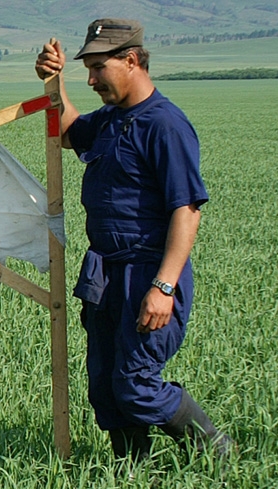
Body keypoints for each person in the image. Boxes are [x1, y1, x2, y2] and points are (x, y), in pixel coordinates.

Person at [34, 19, 235, 463]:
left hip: (147, 272)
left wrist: (164, 287)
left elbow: (187, 210)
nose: (91, 80)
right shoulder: (109, 119)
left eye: (98, 68)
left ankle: (216, 451)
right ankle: (132, 474)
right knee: (105, 385)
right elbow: (68, 133)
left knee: (136, 384)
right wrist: (55, 82)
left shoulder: (165, 125)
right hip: (104, 273)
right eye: (85, 69)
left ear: (131, 60)